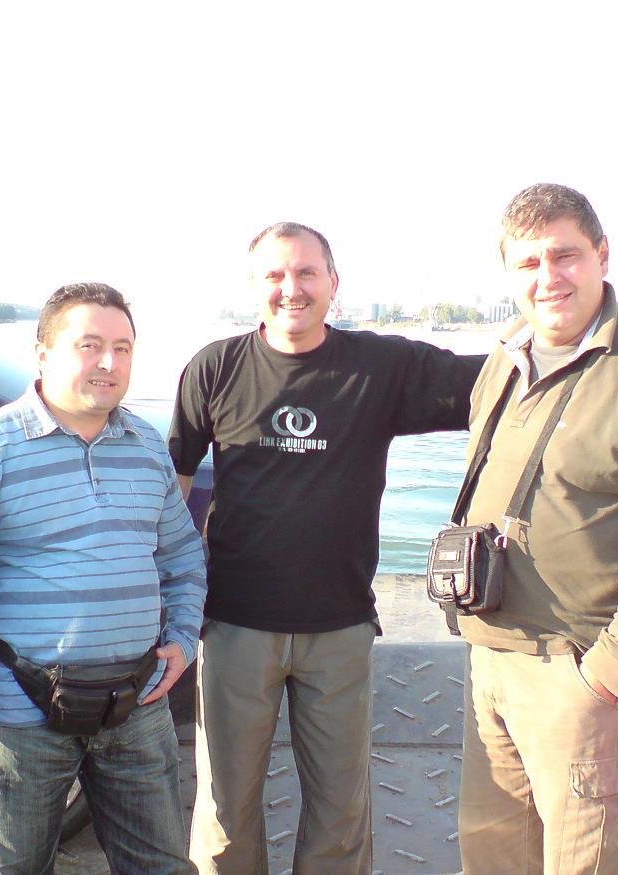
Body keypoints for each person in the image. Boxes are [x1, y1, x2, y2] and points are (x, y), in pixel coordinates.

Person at [168, 222, 485, 874]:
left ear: (333, 283)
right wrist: (169, 606)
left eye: (307, 273)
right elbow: (170, 495)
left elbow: (495, 385)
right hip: (233, 626)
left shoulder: (379, 367)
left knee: (340, 817)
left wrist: (579, 352)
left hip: (339, 627)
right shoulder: (214, 368)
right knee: (225, 815)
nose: (292, 288)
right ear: (253, 288)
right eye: (275, 275)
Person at [453, 183, 618, 874]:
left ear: (602, 255)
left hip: (584, 680)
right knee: (492, 863)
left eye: (565, 255)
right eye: (528, 262)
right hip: (496, 664)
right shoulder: (505, 361)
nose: (548, 277)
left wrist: (610, 676)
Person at [0, 283, 205, 875]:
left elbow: (182, 557)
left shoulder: (147, 447)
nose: (109, 363)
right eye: (90, 345)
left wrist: (183, 638)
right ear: (43, 353)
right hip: (18, 718)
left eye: (123, 348)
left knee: (163, 867)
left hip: (136, 707)